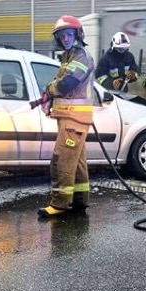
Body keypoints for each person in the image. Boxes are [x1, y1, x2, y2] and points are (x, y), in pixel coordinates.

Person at [36, 15, 93, 219]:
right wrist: (48, 95)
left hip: (75, 119)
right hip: (69, 117)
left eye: (68, 34)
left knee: (62, 159)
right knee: (76, 161)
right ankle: (79, 200)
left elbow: (67, 83)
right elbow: (60, 84)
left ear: (77, 34)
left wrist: (48, 90)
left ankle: (59, 204)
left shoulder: (81, 56)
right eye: (61, 36)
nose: (65, 39)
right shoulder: (69, 56)